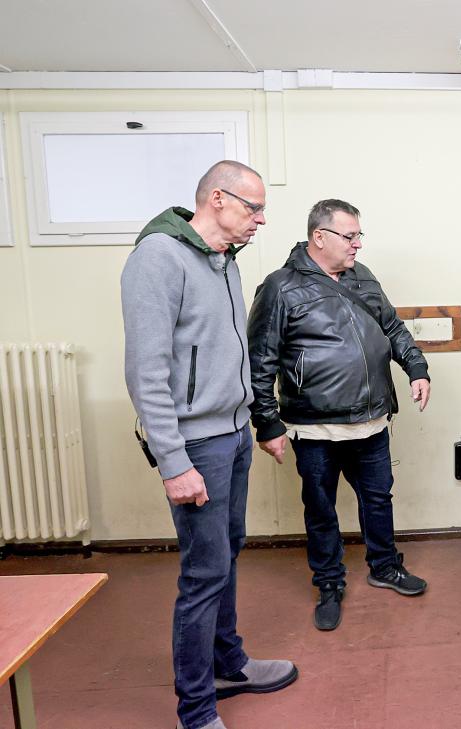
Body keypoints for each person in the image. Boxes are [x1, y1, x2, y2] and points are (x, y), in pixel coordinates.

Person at [121, 161, 298, 729]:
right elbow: (146, 373)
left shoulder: (223, 262)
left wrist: (258, 424)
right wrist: (174, 463)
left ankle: (230, 663)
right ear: (217, 199)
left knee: (228, 552)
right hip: (196, 445)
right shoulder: (159, 258)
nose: (261, 220)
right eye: (253, 208)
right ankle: (196, 710)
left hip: (234, 434)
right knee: (203, 574)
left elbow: (225, 351)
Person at [247, 198, 430, 632]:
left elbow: (393, 327)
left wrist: (416, 368)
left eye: (359, 235)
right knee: (321, 509)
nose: (358, 245)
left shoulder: (362, 278)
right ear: (319, 237)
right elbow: (260, 361)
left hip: (371, 419)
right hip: (314, 427)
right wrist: (267, 423)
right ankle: (329, 584)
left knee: (377, 498)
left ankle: (385, 567)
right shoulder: (281, 288)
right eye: (350, 236)